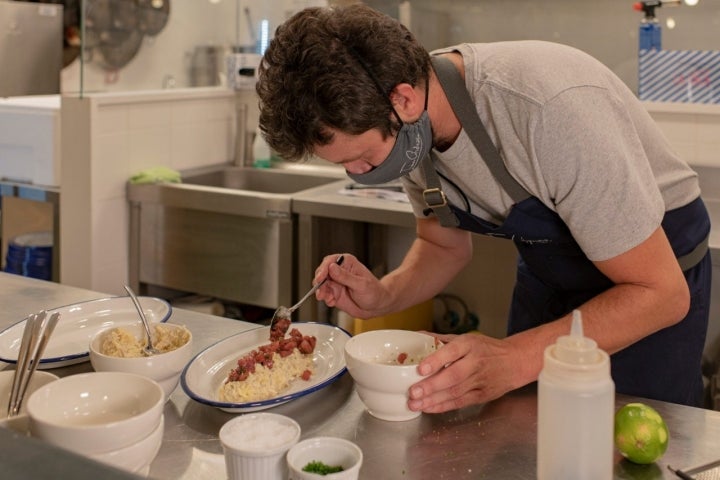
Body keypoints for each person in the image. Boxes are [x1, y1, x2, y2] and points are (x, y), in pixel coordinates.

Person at [256, 4, 712, 409]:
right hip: (553, 278)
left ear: (403, 100)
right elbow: (443, 247)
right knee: (529, 432)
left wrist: (514, 358)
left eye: (365, 159)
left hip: (648, 283)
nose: (360, 174)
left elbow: (663, 295)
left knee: (627, 443)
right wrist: (383, 295)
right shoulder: (413, 129)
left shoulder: (546, 110)